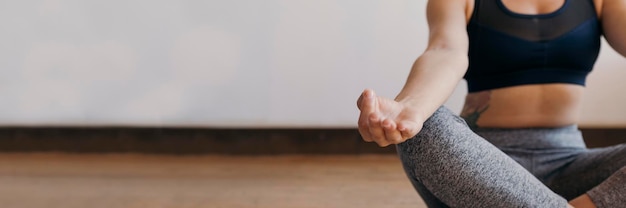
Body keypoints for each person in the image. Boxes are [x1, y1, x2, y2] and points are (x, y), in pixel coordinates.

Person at [356, 0, 626, 207]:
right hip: (480, 168)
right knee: (424, 126)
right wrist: (410, 109)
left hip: (573, 165)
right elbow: (444, 50)